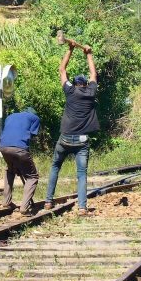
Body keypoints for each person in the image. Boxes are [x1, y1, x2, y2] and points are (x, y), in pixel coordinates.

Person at [45, 42, 99, 216]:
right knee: (82, 174)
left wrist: (70, 49)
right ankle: (82, 207)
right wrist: (88, 54)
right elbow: (93, 73)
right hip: (82, 140)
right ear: (85, 84)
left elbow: (62, 70)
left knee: (55, 167)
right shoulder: (91, 92)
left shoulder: (70, 91)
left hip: (65, 138)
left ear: (75, 84)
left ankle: (48, 201)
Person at [0, 107, 40, 216]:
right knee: (32, 176)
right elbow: (31, 136)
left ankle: (6, 202)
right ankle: (24, 208)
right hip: (19, 148)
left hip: (3, 147)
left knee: (10, 170)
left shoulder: (11, 116)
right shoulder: (35, 118)